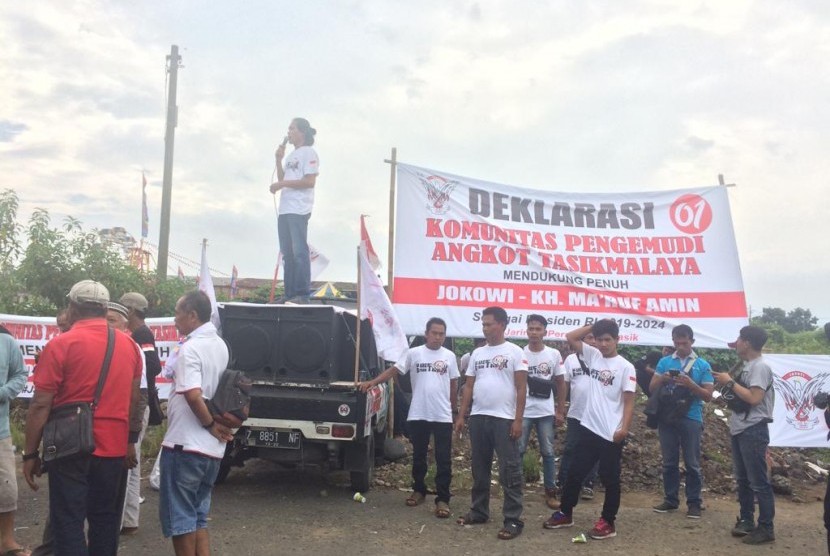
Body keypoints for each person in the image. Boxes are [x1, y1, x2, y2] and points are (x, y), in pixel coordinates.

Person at [22, 280, 142, 556]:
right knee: (104, 518)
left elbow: (41, 404)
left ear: (73, 307)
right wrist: (128, 441)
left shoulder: (61, 345)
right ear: (103, 309)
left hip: (70, 446)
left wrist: (30, 454)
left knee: (68, 520)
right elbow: (133, 400)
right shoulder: (129, 346)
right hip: (112, 447)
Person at [545, 319, 636, 540]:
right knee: (575, 473)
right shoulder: (593, 356)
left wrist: (624, 428)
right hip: (588, 428)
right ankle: (566, 513)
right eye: (599, 339)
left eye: (608, 340)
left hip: (611, 433)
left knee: (609, 478)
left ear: (617, 340)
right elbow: (570, 337)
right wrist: (594, 326)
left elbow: (630, 400)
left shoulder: (625, 366)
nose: (603, 344)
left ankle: (608, 522)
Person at [359, 318, 459, 518]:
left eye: (441, 334)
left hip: (442, 415)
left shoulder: (449, 356)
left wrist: (454, 410)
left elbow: (454, 383)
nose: (438, 337)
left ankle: (443, 499)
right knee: (419, 456)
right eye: (435, 333)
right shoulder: (414, 353)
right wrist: (373, 382)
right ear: (426, 333)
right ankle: (419, 490)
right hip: (419, 412)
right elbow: (394, 371)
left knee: (443, 459)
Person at [159, 291, 232, 556]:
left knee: (180, 520)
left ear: (192, 315)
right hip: (211, 449)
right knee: (198, 516)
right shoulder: (220, 345)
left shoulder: (190, 349)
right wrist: (212, 429)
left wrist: (209, 424)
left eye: (178, 312)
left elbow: (192, 394)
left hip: (185, 445)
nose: (174, 318)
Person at [454, 306, 528, 541]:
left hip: (504, 419)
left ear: (503, 324)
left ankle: (513, 519)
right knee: (480, 467)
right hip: (479, 417)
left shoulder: (515, 352)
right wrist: (461, 416)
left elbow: (521, 387)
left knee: (509, 469)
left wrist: (518, 420)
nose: (485, 328)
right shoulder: (477, 354)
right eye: (483, 324)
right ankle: (479, 511)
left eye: (489, 324)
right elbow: (469, 387)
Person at [713, 326, 776, 545]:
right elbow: (741, 398)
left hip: (753, 428)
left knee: (758, 482)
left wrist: (729, 381)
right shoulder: (748, 366)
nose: (737, 343)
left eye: (739, 339)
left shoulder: (760, 367)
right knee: (743, 479)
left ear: (747, 342)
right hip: (741, 426)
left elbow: (754, 398)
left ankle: (766, 527)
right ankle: (747, 520)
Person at [649, 325, 714, 518]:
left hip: (691, 416)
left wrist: (691, 385)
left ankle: (694, 502)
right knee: (669, 461)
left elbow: (709, 396)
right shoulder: (664, 362)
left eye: (684, 342)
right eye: (676, 342)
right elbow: (652, 388)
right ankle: (670, 500)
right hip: (667, 416)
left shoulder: (703, 365)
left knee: (692, 462)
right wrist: (663, 378)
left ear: (692, 342)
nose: (680, 346)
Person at [105, 302, 150, 537]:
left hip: (128, 416)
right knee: (131, 468)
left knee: (125, 466)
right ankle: (128, 520)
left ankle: (118, 521)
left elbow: (140, 395)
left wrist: (130, 436)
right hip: (115, 416)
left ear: (125, 325)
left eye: (112, 320)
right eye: (104, 319)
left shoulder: (131, 347)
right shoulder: (106, 344)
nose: (106, 324)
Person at [269, 117, 319, 304]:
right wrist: (278, 159)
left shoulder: (309, 153)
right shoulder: (291, 156)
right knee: (287, 253)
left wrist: (281, 183)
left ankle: (302, 293)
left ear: (302, 132)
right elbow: (283, 177)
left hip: (299, 208)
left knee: (299, 251)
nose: (288, 132)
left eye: (292, 128)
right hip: (285, 209)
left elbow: (309, 181)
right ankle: (289, 293)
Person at [519, 314, 564, 509]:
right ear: (526, 331)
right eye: (531, 329)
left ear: (545, 332)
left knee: (548, 452)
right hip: (524, 410)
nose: (534, 332)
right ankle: (516, 490)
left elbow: (561, 382)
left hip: (546, 410)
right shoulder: (519, 353)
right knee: (518, 450)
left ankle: (550, 492)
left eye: (538, 329)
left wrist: (560, 410)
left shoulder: (553, 354)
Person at [556, 332, 599, 502]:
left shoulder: (602, 359)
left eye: (595, 338)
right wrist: (561, 408)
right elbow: (565, 385)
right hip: (576, 412)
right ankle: (563, 482)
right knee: (571, 448)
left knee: (594, 450)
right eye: (590, 337)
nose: (594, 341)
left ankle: (588, 484)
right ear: (582, 341)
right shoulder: (571, 360)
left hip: (597, 415)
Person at [0, 326, 30, 556]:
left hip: (0, 432)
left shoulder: (6, 342)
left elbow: (20, 374)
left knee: (7, 488)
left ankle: (6, 541)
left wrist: (4, 392)